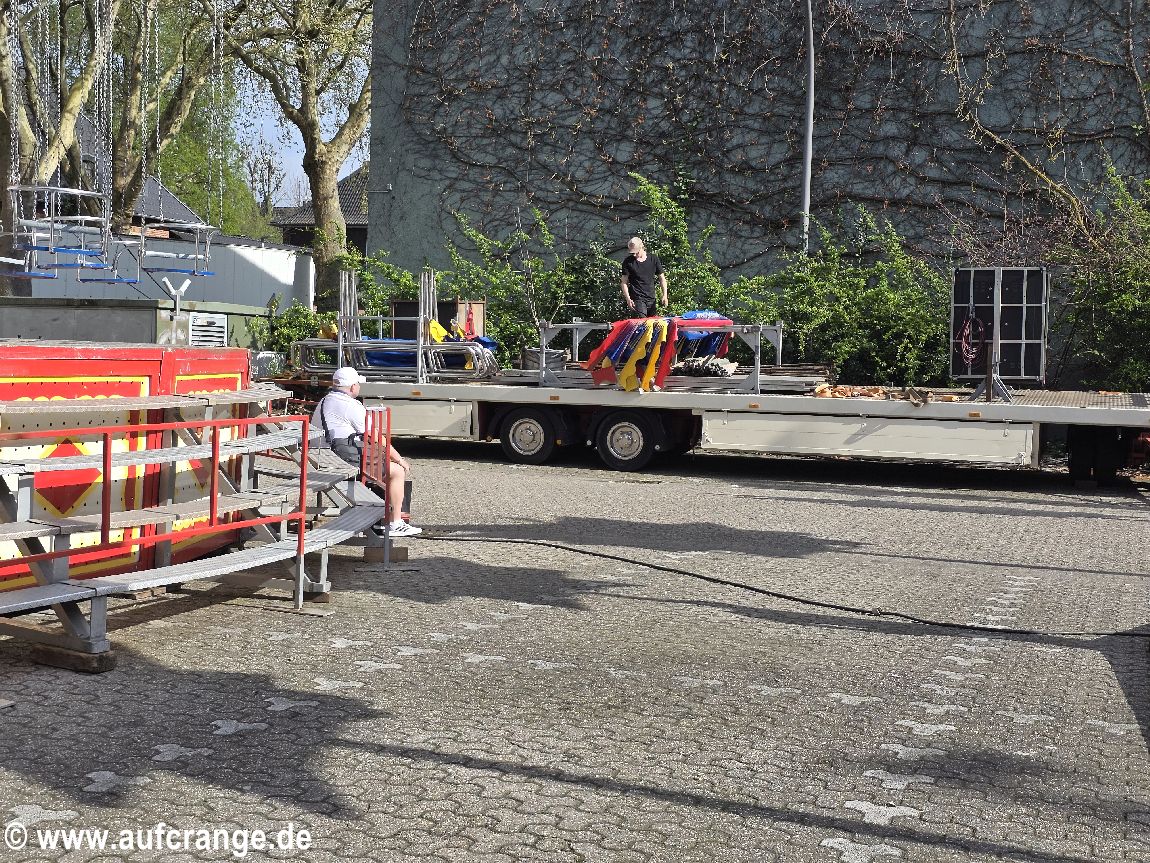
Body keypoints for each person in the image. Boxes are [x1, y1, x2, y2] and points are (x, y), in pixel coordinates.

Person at [311, 367, 421, 537]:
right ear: (352, 386)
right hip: (343, 459)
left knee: (377, 463)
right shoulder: (351, 405)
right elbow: (375, 436)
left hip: (323, 457)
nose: (359, 387)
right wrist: (399, 459)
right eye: (358, 384)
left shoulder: (324, 401)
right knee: (397, 471)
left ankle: (377, 519)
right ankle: (395, 523)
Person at [620, 236, 668, 317]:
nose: (634, 255)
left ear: (642, 247)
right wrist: (628, 299)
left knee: (652, 322)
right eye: (632, 253)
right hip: (637, 299)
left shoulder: (653, 259)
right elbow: (623, 282)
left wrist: (665, 295)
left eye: (636, 252)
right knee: (642, 322)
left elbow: (662, 278)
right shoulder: (628, 262)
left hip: (651, 298)